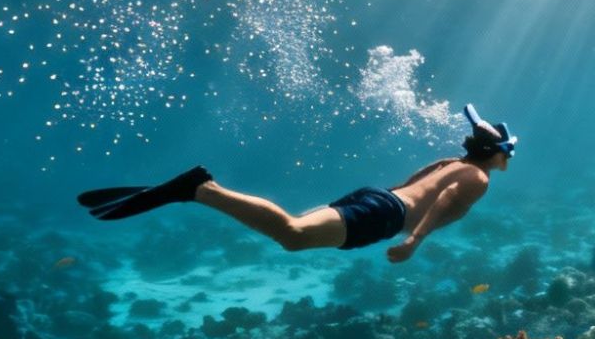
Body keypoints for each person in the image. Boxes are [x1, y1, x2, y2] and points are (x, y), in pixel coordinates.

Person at [77, 104, 514, 263]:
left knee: (295, 228)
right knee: (292, 236)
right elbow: (444, 203)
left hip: (377, 198)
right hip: (386, 215)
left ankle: (197, 190)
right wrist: (414, 241)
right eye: (507, 152)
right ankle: (200, 190)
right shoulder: (477, 177)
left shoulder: (449, 160)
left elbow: (409, 185)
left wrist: (373, 209)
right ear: (498, 154)